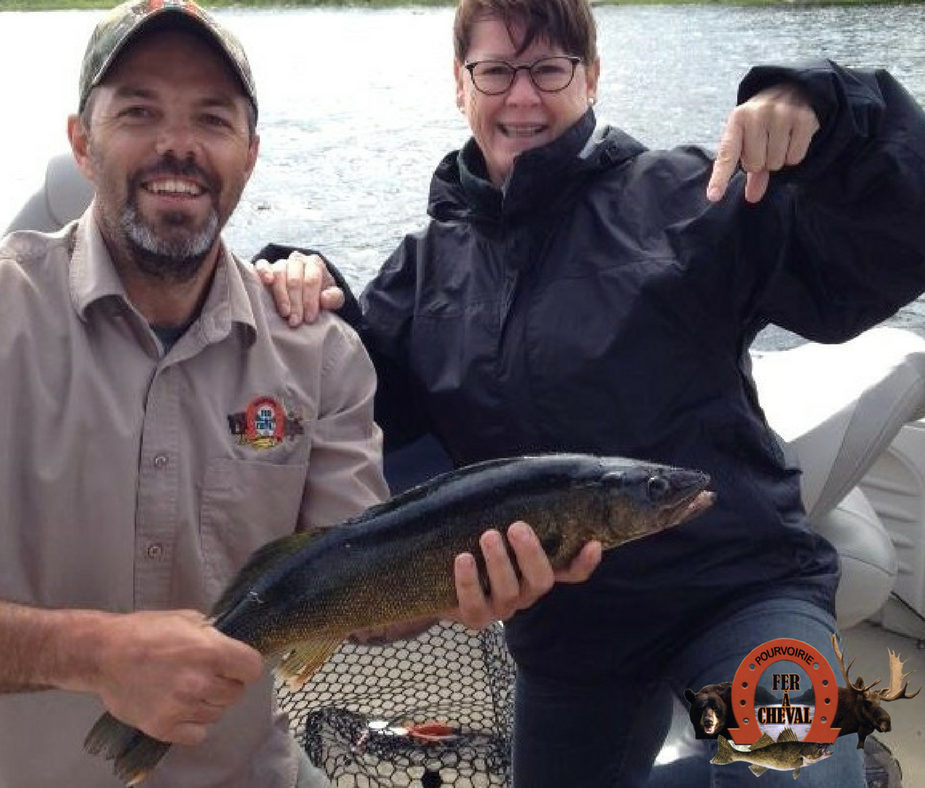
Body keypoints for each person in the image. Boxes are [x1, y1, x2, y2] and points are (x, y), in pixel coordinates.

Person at [255, 0, 925, 785]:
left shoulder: (692, 198)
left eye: (549, 69)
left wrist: (833, 106)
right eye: (496, 71)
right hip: (568, 640)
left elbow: (888, 247)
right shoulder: (425, 270)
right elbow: (367, 408)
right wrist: (308, 288)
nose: (523, 97)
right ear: (460, 86)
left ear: (593, 76)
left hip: (741, 592)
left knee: (794, 764)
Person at [0, 3, 601, 787]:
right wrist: (92, 654)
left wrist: (460, 587)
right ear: (82, 140)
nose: (178, 144)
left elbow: (361, 585)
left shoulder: (319, 354)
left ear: (249, 154)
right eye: (140, 111)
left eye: (212, 118)